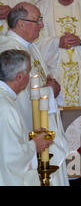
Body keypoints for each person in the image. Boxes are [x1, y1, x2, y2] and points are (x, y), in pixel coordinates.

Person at [0, 3, 69, 186]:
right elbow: (19, 91)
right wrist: (49, 90)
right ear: (21, 24)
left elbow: (35, 82)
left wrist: (49, 86)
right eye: (37, 20)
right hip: (20, 136)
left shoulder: (29, 46)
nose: (42, 25)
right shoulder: (8, 48)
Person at [0, 49, 53, 185]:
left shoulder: (5, 100)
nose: (29, 77)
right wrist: (34, 145)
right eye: (28, 72)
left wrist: (29, 139)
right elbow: (9, 157)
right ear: (19, 77)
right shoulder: (5, 107)